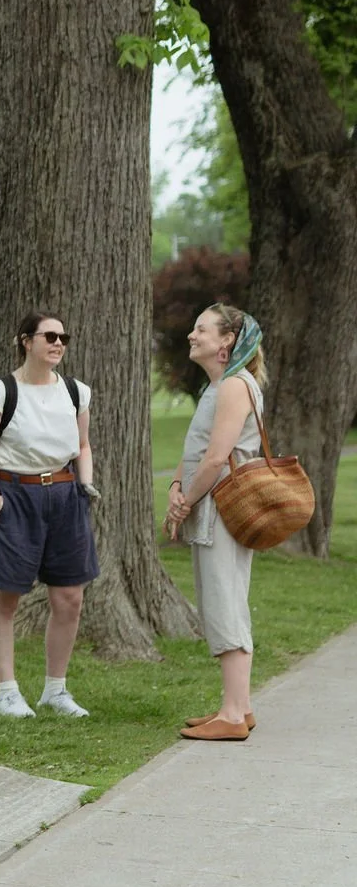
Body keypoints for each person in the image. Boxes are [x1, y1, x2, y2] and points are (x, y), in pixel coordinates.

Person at [0, 311, 97, 718]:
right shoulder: (0, 392)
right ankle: (7, 692)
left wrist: (84, 484)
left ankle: (55, 690)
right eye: (49, 336)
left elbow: (83, 444)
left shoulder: (76, 392)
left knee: (70, 596)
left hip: (65, 495)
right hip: (15, 496)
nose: (58, 343)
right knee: (6, 595)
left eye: (63, 337)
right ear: (26, 341)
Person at [166, 305, 267, 741]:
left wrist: (184, 502)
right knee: (223, 600)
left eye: (201, 328)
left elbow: (214, 459)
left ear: (226, 341)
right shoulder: (220, 386)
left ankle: (231, 715)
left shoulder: (233, 387)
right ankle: (239, 707)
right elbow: (196, 450)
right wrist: (175, 484)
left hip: (221, 510)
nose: (192, 334)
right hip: (212, 508)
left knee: (223, 603)